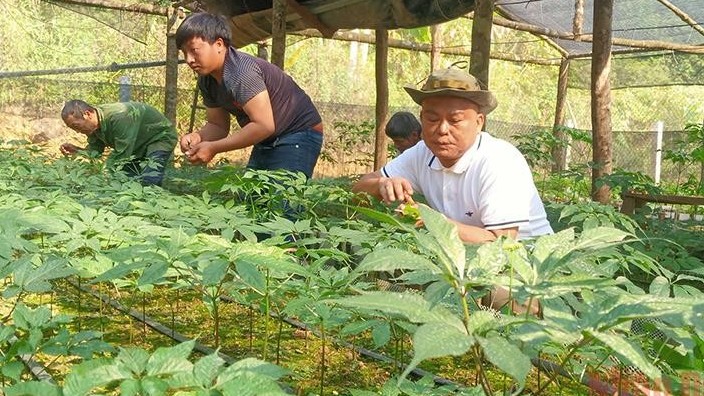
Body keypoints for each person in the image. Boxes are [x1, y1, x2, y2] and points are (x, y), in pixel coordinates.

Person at [353, 68, 552, 244]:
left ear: (479, 122)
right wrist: (381, 185)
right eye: (432, 118)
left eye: (455, 120)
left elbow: (502, 243)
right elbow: (359, 188)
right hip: (463, 263)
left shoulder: (499, 160)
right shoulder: (421, 153)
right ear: (421, 119)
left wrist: (435, 223)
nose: (442, 129)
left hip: (528, 266)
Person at [175, 12, 323, 179]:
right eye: (184, 52)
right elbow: (217, 125)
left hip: (299, 132)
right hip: (268, 138)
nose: (189, 59)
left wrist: (214, 148)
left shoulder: (241, 72)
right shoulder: (206, 80)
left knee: (283, 202)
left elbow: (264, 125)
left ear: (218, 44)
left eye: (194, 50)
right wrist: (198, 137)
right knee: (252, 199)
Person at [59, 100, 177, 186]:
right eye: (73, 128)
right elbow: (95, 152)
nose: (77, 132)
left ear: (87, 114)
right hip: (135, 146)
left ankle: (154, 211)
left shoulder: (119, 116)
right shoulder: (92, 126)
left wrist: (102, 177)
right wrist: (78, 151)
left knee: (149, 179)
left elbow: (122, 155)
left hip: (159, 138)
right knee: (127, 180)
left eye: (76, 126)